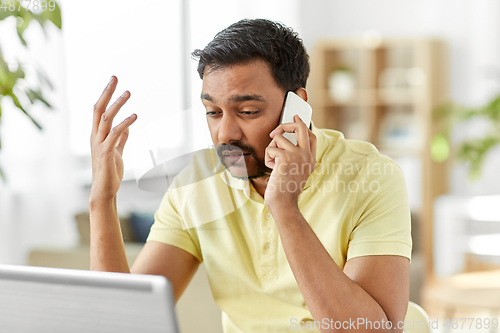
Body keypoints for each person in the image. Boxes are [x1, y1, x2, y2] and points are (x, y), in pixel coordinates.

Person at [89, 19, 411, 333]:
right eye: (213, 113)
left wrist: (284, 207)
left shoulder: (371, 176)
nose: (224, 134)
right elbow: (124, 322)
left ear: (296, 107)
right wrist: (102, 199)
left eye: (247, 112)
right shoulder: (196, 183)